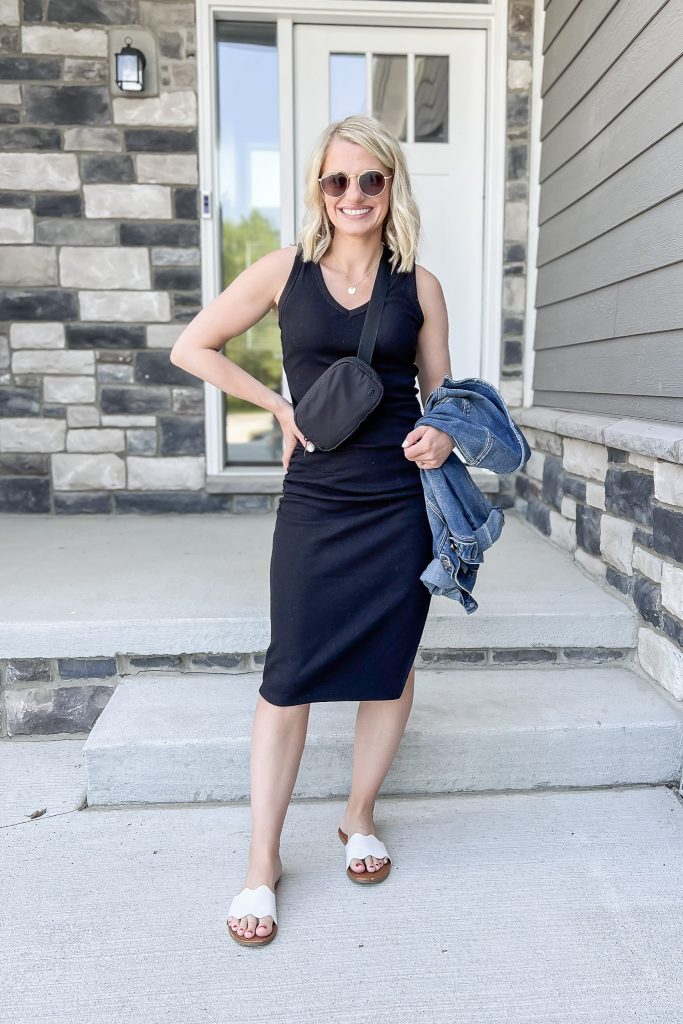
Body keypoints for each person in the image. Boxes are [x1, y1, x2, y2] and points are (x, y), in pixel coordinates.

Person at [170, 114, 454, 946]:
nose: (354, 195)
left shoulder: (420, 286)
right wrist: (276, 407)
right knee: (287, 673)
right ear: (318, 191)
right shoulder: (283, 272)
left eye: (370, 179)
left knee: (389, 667)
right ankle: (262, 860)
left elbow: (444, 397)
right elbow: (195, 346)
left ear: (391, 185)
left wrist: (441, 433)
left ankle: (356, 816)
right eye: (338, 180)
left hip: (401, 499)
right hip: (318, 499)